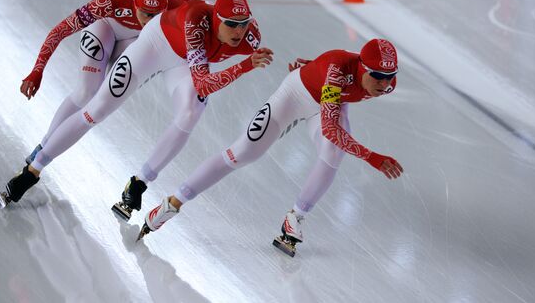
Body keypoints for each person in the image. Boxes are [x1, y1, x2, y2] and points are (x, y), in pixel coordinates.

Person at [0, 0, 274, 211]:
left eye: (243, 24)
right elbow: (203, 81)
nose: (238, 32)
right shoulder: (196, 20)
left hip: (184, 63)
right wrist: (246, 66)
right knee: (98, 108)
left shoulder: (250, 37)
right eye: (231, 24)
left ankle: (139, 184)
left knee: (190, 112)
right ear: (216, 19)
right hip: (155, 46)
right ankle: (32, 171)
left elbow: (201, 80)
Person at [137, 38, 404, 257]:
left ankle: (295, 218)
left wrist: (313, 66)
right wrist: (372, 157)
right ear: (362, 68)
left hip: (325, 103)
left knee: (334, 153)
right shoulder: (340, 69)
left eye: (389, 77)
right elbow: (331, 127)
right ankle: (172, 203)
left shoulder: (383, 84)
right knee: (241, 153)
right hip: (294, 96)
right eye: (377, 76)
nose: (384, 84)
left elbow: (332, 114)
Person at [22, 0, 196, 165]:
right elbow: (60, 31)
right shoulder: (110, 0)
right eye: (145, 13)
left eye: (156, 15)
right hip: (104, 26)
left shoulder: (176, 6)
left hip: (135, 39)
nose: (150, 20)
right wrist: (37, 70)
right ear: (134, 5)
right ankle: (43, 147)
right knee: (87, 92)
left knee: (107, 95)